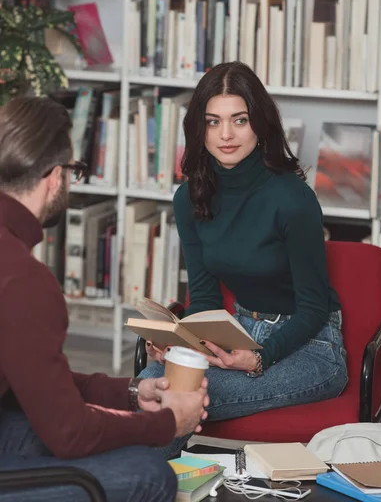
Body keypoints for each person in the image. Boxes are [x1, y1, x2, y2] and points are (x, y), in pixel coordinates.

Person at [0, 96, 209, 502]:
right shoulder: (23, 280)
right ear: (55, 177)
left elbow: (32, 379)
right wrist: (169, 424)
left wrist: (132, 394)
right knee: (148, 473)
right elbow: (69, 434)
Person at [140, 61, 348, 456]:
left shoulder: (292, 198)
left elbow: (314, 308)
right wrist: (180, 342)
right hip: (239, 334)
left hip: (312, 347)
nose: (226, 134)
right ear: (199, 129)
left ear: (260, 123)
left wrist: (258, 358)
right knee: (150, 379)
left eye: (239, 120)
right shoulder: (190, 198)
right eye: (213, 122)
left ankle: (143, 488)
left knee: (170, 398)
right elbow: (204, 299)